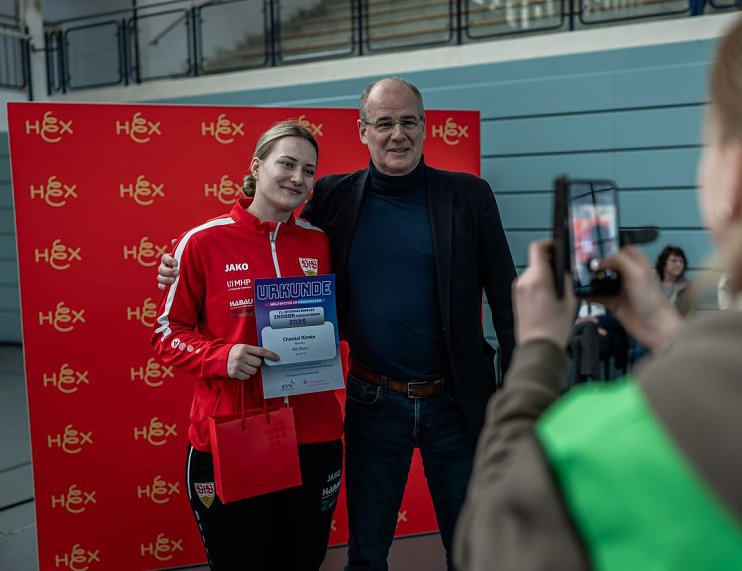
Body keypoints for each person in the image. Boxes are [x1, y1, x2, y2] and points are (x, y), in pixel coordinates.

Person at [454, 1, 742, 569]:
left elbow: (492, 542)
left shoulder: (607, 442)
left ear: (735, 181)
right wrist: (671, 333)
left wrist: (539, 351)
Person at [158, 77, 517, 571]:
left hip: (453, 402)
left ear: (425, 127)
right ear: (363, 130)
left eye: (408, 121)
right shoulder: (333, 197)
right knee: (364, 555)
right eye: (384, 123)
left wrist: (517, 393)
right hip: (371, 400)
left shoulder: (468, 196)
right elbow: (258, 241)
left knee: (474, 550)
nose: (398, 134)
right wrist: (178, 264)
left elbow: (506, 297)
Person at [151, 121, 344, 570]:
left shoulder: (320, 242)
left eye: (309, 170)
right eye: (287, 163)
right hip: (231, 437)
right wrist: (223, 356)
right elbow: (165, 333)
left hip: (312, 437)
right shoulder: (200, 242)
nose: (298, 177)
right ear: (257, 167)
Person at [655, 245, 691, 315]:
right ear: (664, 263)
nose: (678, 264)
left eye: (681, 261)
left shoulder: (687, 287)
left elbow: (689, 315)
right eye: (674, 260)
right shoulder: (652, 284)